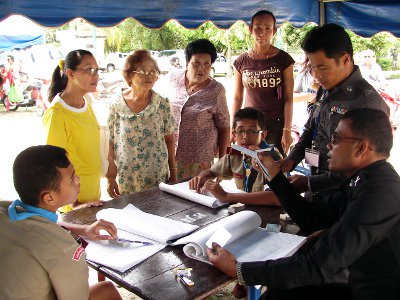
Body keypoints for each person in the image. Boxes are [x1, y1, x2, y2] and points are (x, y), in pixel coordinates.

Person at [208, 108, 400, 300]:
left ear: (361, 148)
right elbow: (312, 220)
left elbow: (319, 265)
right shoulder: (363, 180)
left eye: (336, 139)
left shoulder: (379, 193)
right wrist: (274, 176)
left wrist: (239, 271)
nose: (328, 147)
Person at [279, 24, 389, 214]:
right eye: (312, 67)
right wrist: (290, 160)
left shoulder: (367, 102)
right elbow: (310, 130)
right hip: (317, 191)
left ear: (345, 59)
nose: (317, 75)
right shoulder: (325, 88)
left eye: (322, 67)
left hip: (345, 200)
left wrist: (310, 183)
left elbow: (366, 168)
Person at [0, 145, 122, 300]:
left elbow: (35, 225)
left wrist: (84, 230)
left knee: (106, 289)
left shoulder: (6, 210)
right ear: (49, 198)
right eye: (72, 178)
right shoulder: (65, 250)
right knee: (106, 292)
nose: (78, 180)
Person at [106, 50, 176, 197]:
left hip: (157, 176)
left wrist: (173, 173)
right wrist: (110, 177)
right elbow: (110, 141)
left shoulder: (162, 104)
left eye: (153, 72)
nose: (149, 76)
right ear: (129, 75)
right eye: (143, 71)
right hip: (127, 177)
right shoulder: (115, 103)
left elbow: (169, 140)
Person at [43, 49, 103, 212]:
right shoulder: (57, 114)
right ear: (70, 73)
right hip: (72, 206)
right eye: (89, 70)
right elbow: (55, 165)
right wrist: (74, 204)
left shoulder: (86, 104)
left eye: (97, 70)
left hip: (93, 197)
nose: (95, 75)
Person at [189, 107, 281, 206]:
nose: (245, 136)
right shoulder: (235, 153)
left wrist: (226, 196)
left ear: (263, 135)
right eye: (241, 131)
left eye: (252, 131)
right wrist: (201, 177)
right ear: (233, 134)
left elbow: (277, 197)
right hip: (245, 209)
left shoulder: (271, 157)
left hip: (268, 210)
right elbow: (211, 172)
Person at [232, 10, 294, 155]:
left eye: (267, 28)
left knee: (273, 167)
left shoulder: (284, 60)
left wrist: (287, 130)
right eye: (258, 28)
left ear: (274, 31)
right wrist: (233, 128)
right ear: (250, 30)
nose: (262, 33)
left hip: (275, 124)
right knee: (248, 166)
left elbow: (289, 98)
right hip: (249, 125)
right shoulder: (241, 61)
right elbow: (236, 98)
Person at [167, 39, 230, 180]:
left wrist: (222, 164)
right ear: (187, 63)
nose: (201, 68)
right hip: (169, 155)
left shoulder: (217, 90)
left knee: (194, 197)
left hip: (199, 159)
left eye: (206, 64)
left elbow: (225, 127)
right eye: (196, 63)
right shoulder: (172, 78)